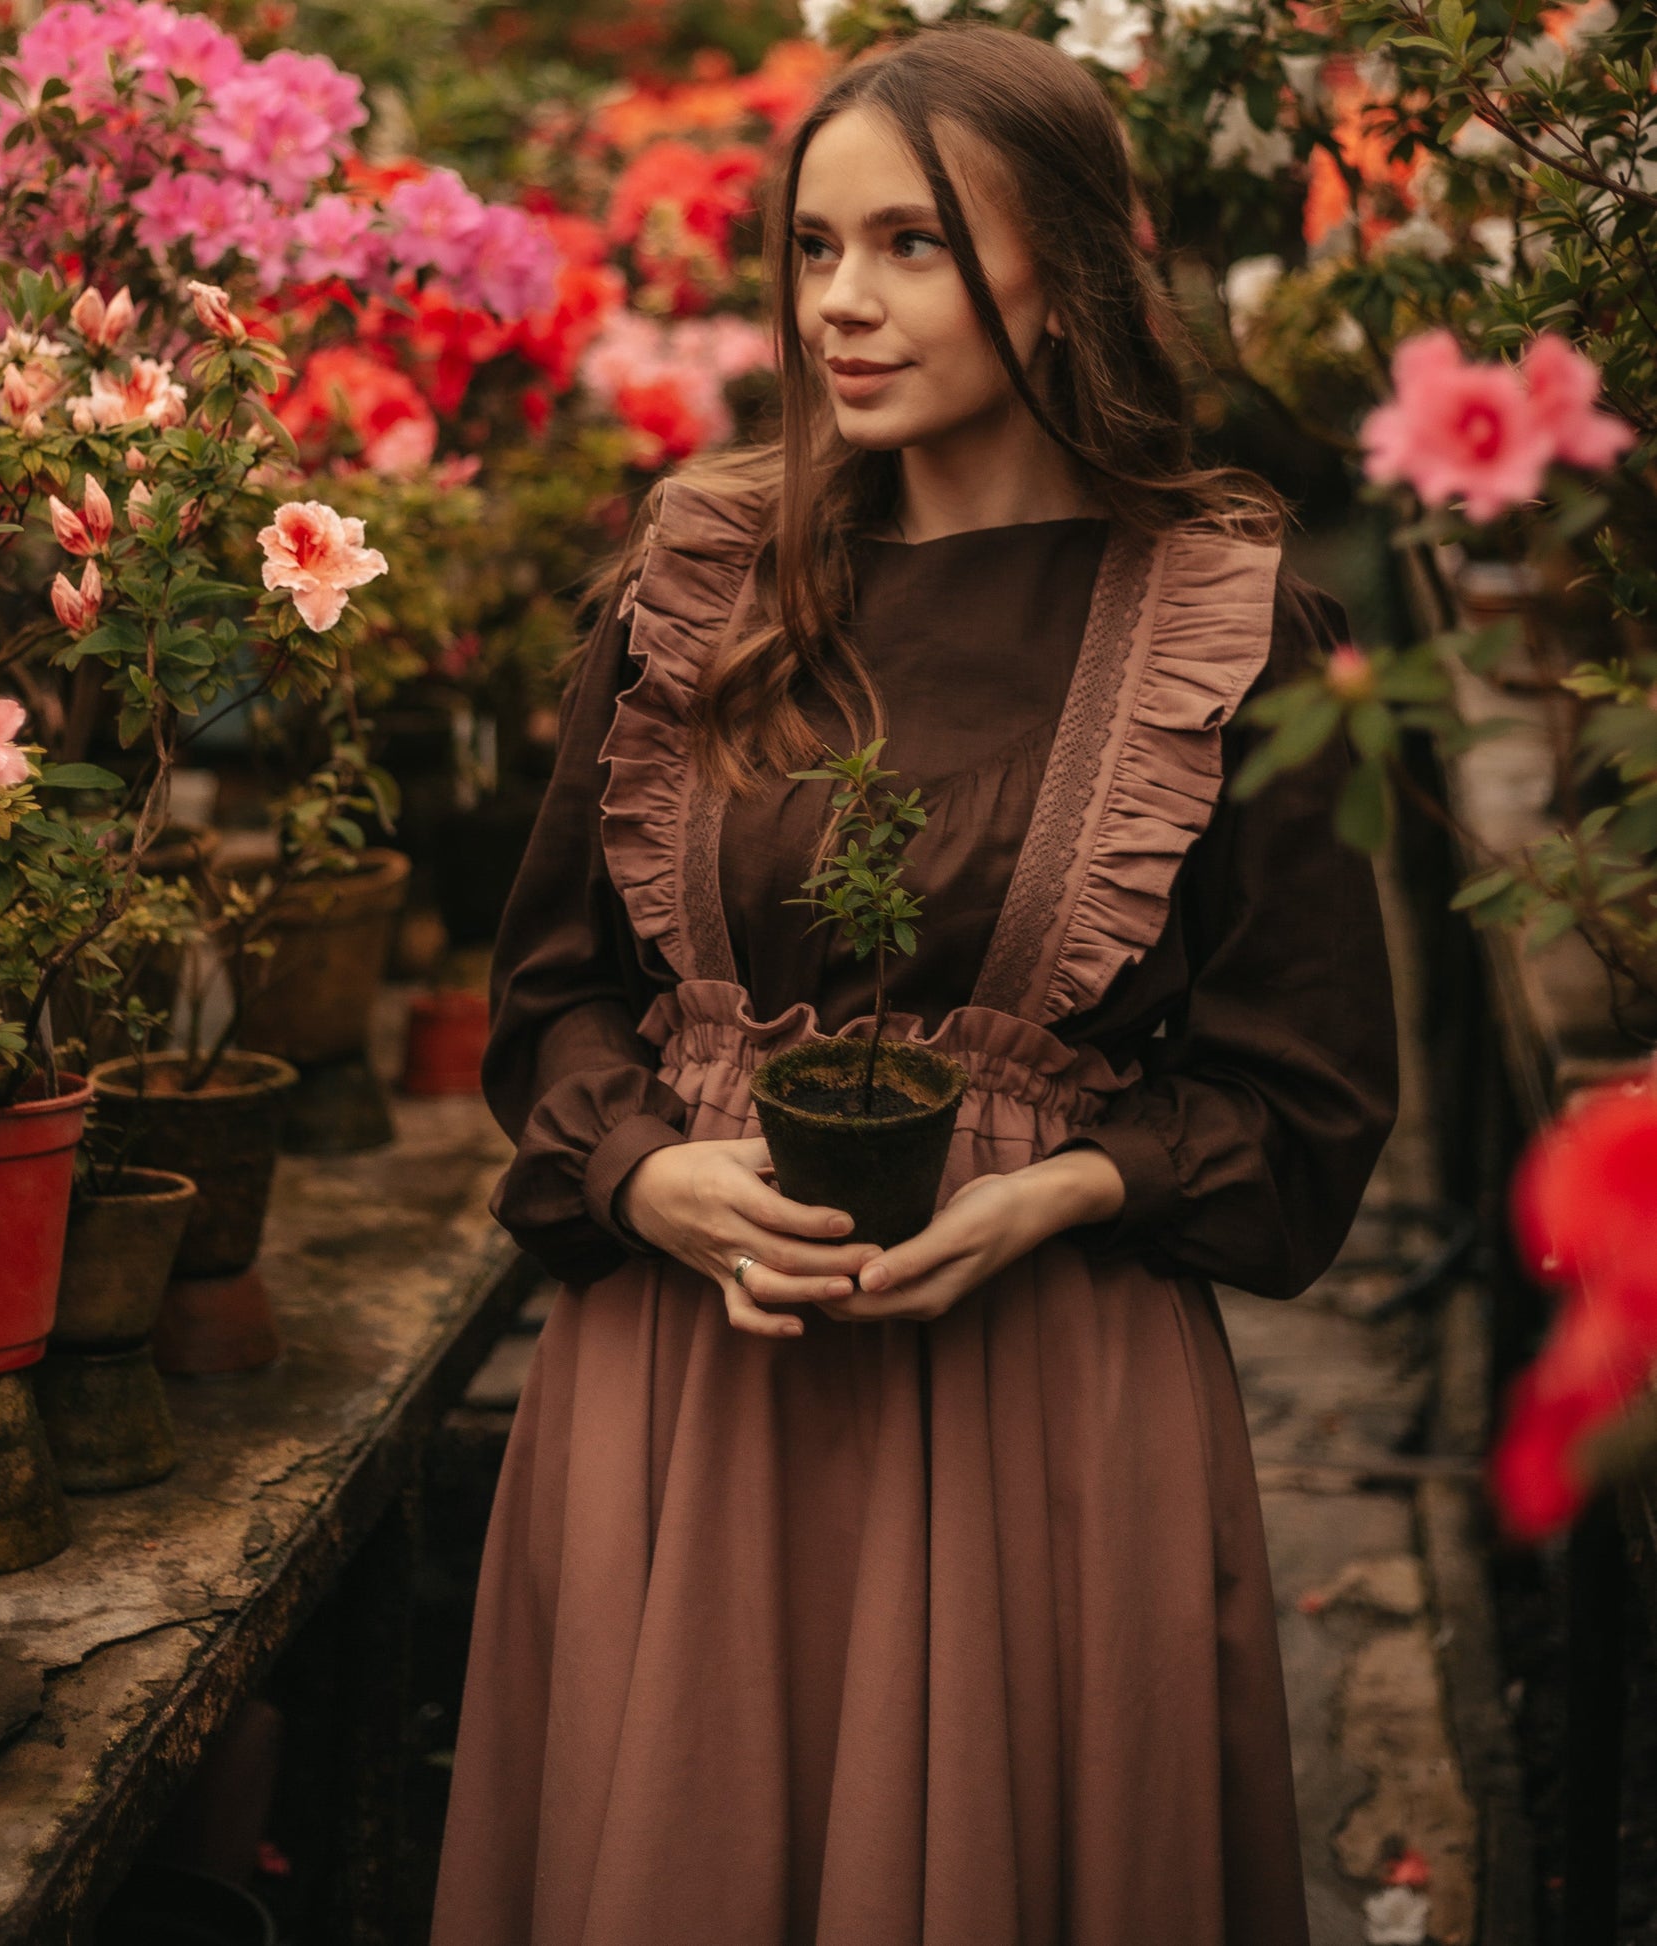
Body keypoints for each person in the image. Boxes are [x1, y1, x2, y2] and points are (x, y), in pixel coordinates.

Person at [431, 23, 1397, 1946]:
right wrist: (639, 1170)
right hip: (688, 1398)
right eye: (810, 249)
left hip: (1041, 1406)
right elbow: (548, 999)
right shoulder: (699, 584)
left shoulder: (1226, 624)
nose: (841, 307)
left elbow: (1303, 1093)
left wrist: (1069, 1181)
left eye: (912, 247)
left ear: (1068, 271)